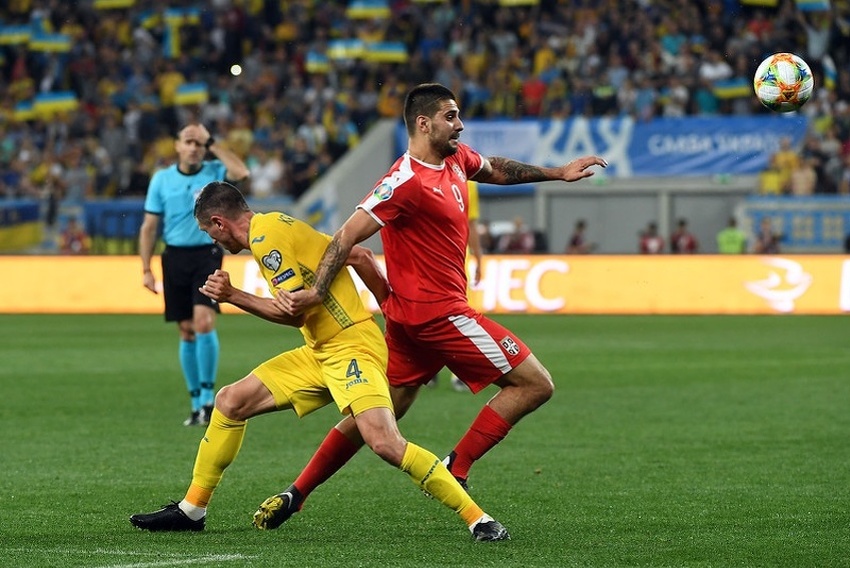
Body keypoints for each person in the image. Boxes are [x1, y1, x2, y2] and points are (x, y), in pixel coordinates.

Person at [268, 83, 607, 526]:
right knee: (535, 384)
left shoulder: (456, 159)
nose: (460, 124)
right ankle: (456, 468)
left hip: (409, 322)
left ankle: (297, 492)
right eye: (451, 116)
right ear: (423, 123)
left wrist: (557, 172)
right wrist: (316, 292)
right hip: (440, 314)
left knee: (381, 412)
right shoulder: (401, 183)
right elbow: (346, 236)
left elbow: (498, 169)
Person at [129, 181, 508, 541]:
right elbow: (356, 255)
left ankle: (479, 519)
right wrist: (389, 307)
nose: (211, 239)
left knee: (384, 442)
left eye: (209, 231)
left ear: (219, 222)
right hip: (320, 350)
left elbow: (294, 311)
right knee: (230, 400)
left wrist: (233, 295)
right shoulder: (278, 223)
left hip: (351, 348)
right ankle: (192, 510)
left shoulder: (265, 239)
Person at [138, 123, 250, 427]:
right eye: (188, 142)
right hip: (173, 256)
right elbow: (149, 226)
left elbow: (241, 173)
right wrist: (146, 268)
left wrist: (212, 141)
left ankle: (208, 399)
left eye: (198, 143)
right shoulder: (162, 179)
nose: (193, 148)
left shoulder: (214, 171)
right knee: (186, 329)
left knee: (203, 321)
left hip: (206, 254)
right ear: (176, 145)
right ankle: (195, 403)